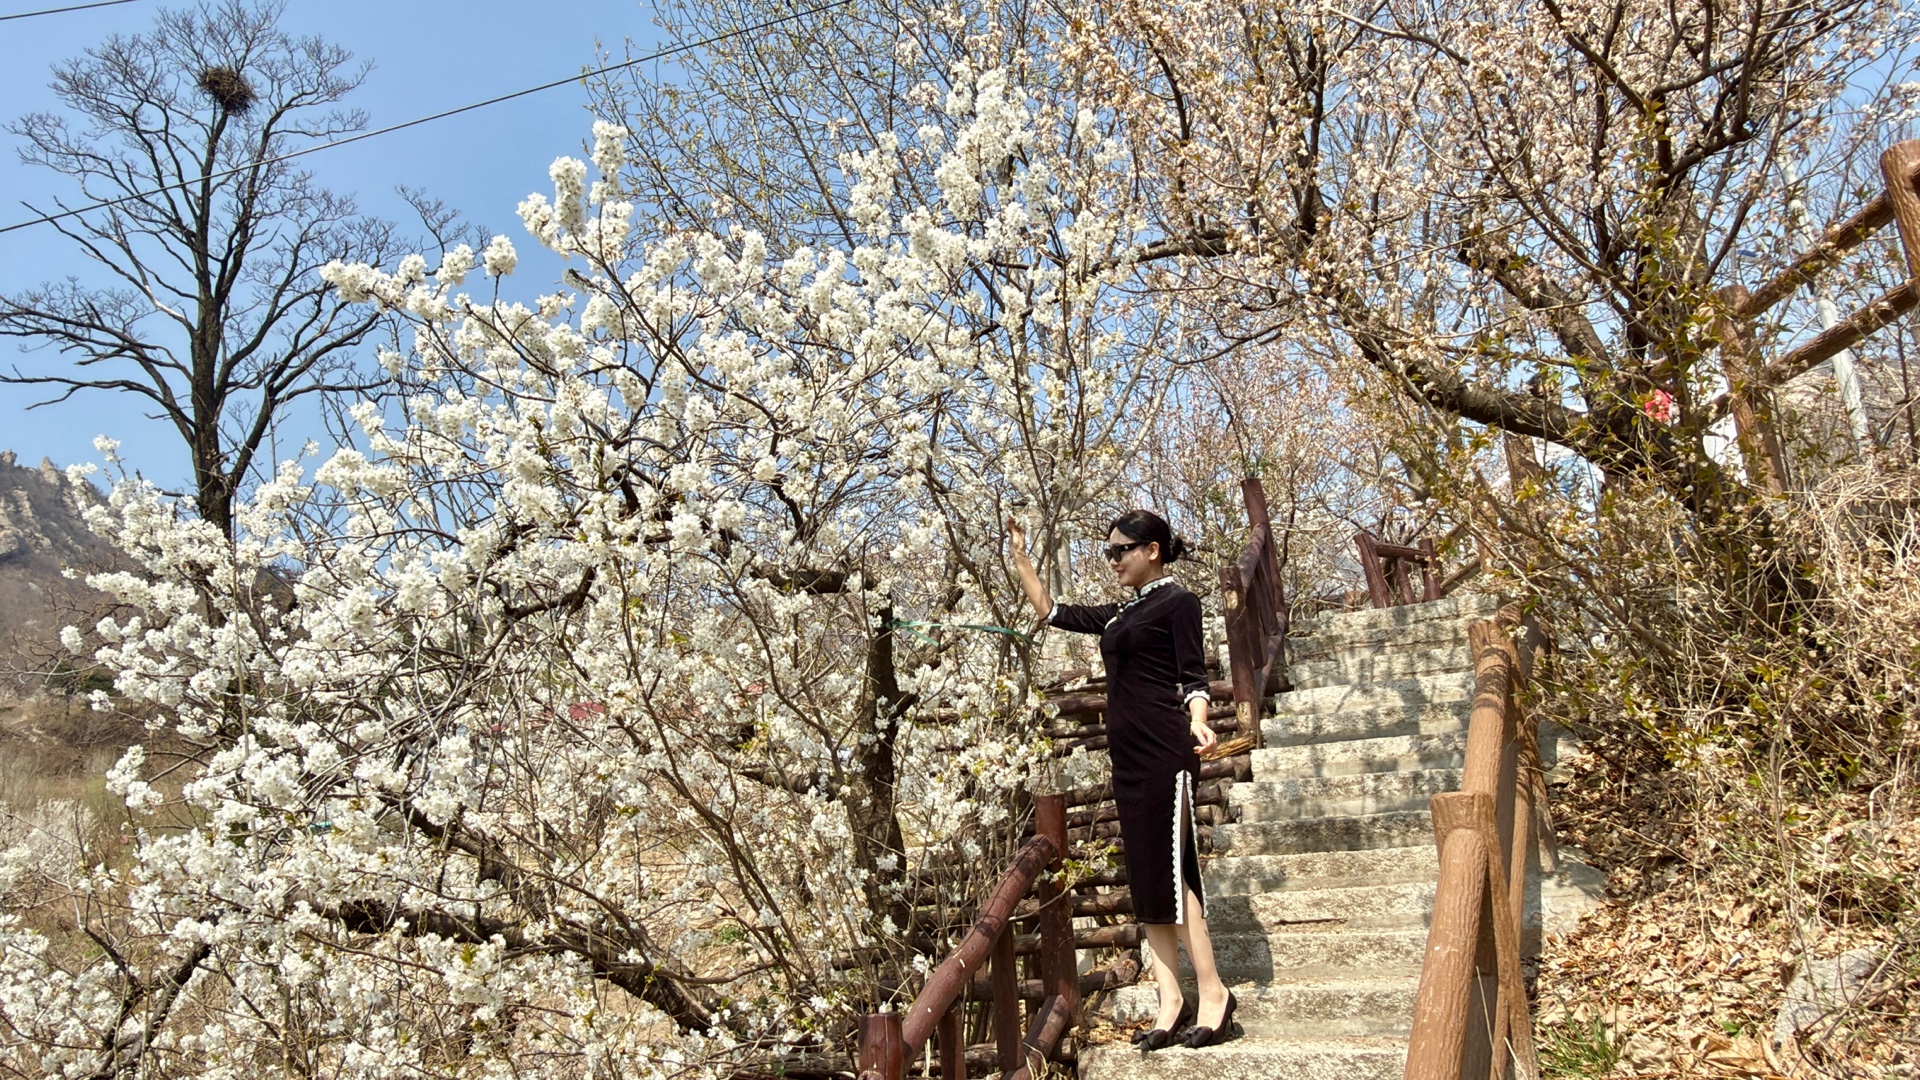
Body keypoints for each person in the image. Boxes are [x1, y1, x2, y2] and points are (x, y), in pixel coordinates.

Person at [1006, 509, 1238, 1050]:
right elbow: (1051, 611)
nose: (1112, 561)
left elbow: (1193, 677)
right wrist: (1020, 556)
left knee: (1174, 873)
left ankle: (1214, 993)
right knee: (1145, 876)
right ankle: (1170, 1001)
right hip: (1128, 759)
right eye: (1108, 552)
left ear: (1151, 550)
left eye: (1120, 551)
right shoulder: (1118, 614)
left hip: (1165, 751)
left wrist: (1199, 720)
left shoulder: (1179, 603)